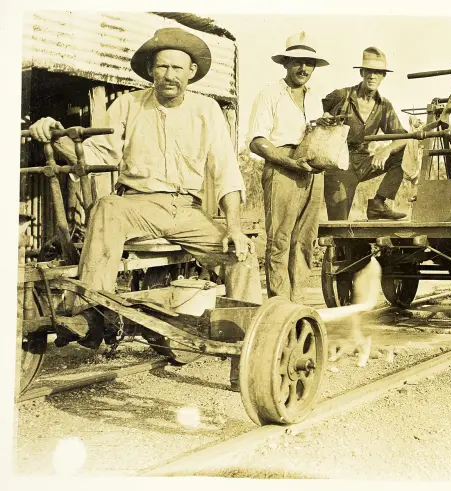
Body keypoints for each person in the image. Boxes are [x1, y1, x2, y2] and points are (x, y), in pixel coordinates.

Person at [28, 27, 262, 391]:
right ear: (151, 70)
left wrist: (233, 227)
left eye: (178, 68)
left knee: (242, 257)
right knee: (107, 206)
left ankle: (244, 357)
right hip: (137, 204)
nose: (170, 75)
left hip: (188, 210)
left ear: (191, 73)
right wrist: (54, 133)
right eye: (163, 67)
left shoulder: (207, 110)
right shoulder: (127, 105)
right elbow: (93, 154)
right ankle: (91, 313)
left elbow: (226, 171)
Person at [247, 32, 328, 302]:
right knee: (280, 239)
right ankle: (280, 305)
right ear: (285, 64)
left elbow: (315, 134)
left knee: (305, 239)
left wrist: (325, 127)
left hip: (312, 169)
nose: (303, 68)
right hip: (282, 167)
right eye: (297, 62)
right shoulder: (269, 94)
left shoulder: (314, 97)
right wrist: (290, 162)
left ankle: (298, 303)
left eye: (309, 63)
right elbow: (257, 141)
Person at [318, 47, 409, 221]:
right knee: (339, 224)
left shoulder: (384, 106)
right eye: (369, 71)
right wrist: (324, 117)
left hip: (364, 163)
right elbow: (317, 111)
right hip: (339, 165)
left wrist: (386, 150)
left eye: (378, 72)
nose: (372, 76)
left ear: (383, 76)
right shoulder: (341, 96)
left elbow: (403, 137)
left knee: (402, 153)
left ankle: (378, 203)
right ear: (362, 73)